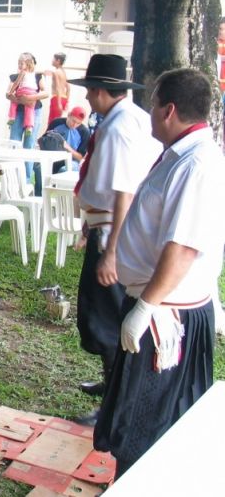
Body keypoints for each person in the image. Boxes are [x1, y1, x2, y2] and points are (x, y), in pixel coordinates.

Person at [94, 68, 225, 478]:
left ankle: (140, 484)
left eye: (152, 104)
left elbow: (184, 245)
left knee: (147, 424)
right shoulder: (182, 154)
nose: (148, 112)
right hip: (161, 305)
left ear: (169, 110)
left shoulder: (197, 163)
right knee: (138, 420)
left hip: (167, 316)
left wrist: (145, 307)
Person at [69, 54, 161, 424]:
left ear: (101, 91)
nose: (88, 99)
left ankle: (113, 405)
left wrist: (112, 252)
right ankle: (111, 385)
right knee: (99, 310)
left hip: (115, 233)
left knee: (103, 316)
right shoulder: (126, 117)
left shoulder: (121, 127)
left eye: (91, 92)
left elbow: (124, 191)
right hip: (104, 225)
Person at [7, 52, 49, 179]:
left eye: (23, 63)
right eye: (19, 63)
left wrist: (30, 98)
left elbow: (45, 92)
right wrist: (19, 100)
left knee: (29, 145)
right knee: (14, 142)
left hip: (34, 110)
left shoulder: (38, 76)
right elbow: (8, 93)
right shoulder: (15, 76)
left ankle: (26, 178)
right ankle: (12, 177)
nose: (20, 65)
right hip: (18, 111)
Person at [33, 106, 91, 196]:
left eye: (78, 123)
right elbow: (44, 140)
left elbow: (80, 158)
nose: (74, 125)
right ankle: (40, 196)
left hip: (71, 162)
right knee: (39, 167)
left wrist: (67, 147)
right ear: (69, 115)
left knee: (64, 170)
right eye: (73, 121)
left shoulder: (84, 132)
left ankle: (61, 199)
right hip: (52, 158)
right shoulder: (56, 123)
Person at [7, 53, 40, 134]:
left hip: (24, 90)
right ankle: (29, 127)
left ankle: (12, 117)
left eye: (21, 63)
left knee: (13, 100)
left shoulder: (23, 72)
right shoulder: (33, 73)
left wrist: (10, 92)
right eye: (19, 63)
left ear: (28, 64)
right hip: (32, 92)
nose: (20, 65)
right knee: (30, 109)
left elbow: (16, 83)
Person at [46, 52, 70, 123]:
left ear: (58, 61)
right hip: (64, 98)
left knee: (52, 122)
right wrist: (67, 102)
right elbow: (68, 88)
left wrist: (59, 103)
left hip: (57, 98)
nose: (52, 60)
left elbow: (58, 88)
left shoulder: (56, 72)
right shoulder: (63, 72)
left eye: (54, 59)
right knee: (57, 121)